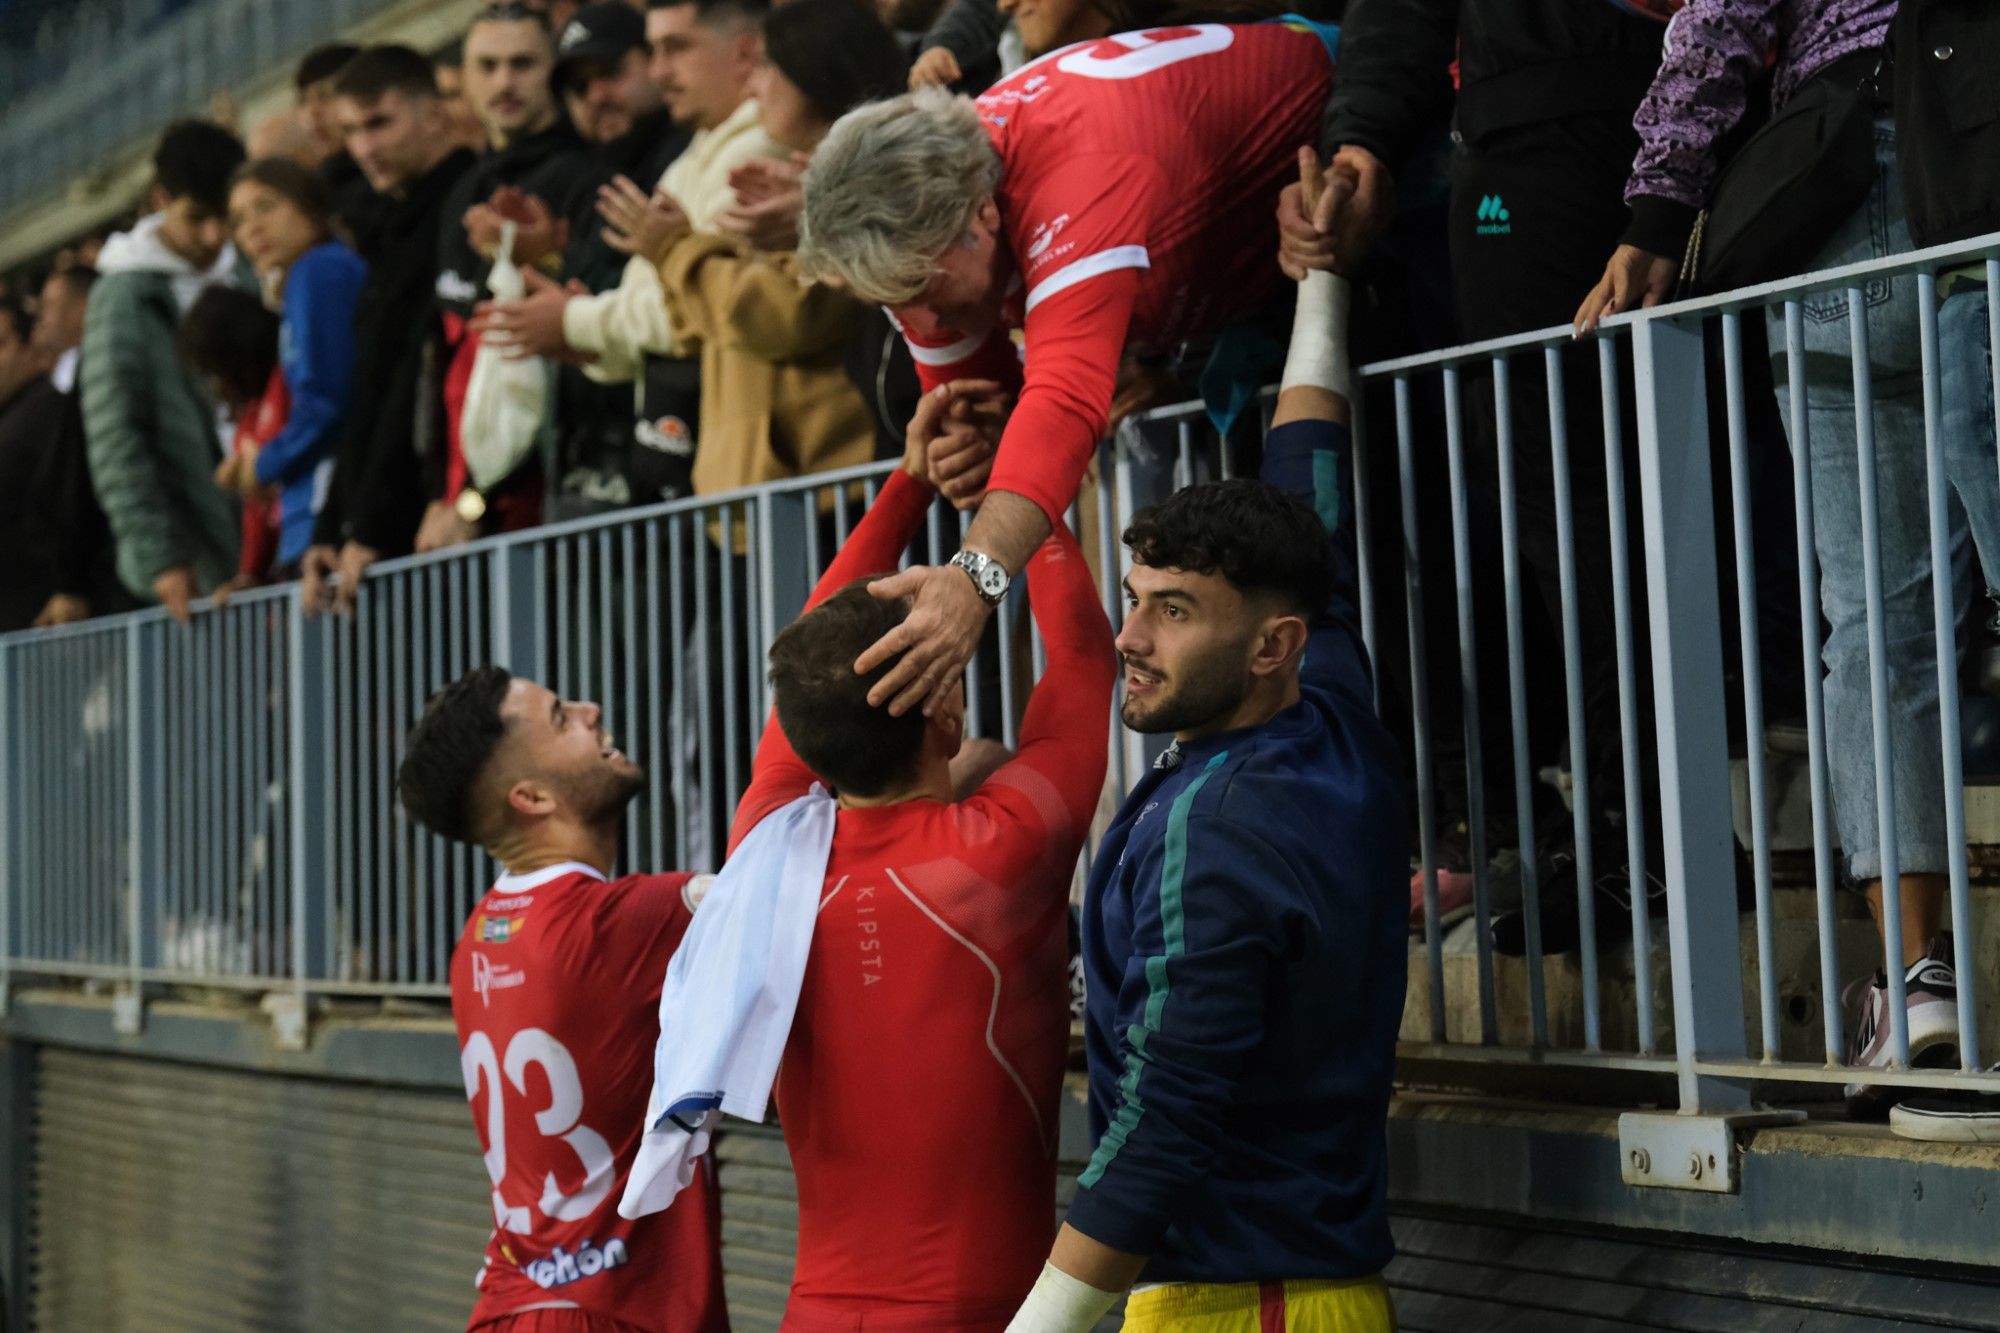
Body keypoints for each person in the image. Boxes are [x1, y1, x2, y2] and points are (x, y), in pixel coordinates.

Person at [1574, 0, 1987, 1112]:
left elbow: (1719, 14)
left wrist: (1660, 206)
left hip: (1839, 188)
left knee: (1873, 622)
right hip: (1978, 148)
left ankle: (1917, 987)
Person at [1005, 188, 1403, 1333]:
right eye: (1134, 600)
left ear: (1271, 644)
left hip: (1240, 1306)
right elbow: (1306, 467)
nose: (1128, 639)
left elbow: (1166, 1121)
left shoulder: (1221, 827)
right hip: (1297, 1291)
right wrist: (1319, 275)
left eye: (1171, 611)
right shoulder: (1327, 701)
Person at [699, 343, 1113, 1327]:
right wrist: (1022, 497)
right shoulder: (1002, 850)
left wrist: (909, 483)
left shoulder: (766, 845)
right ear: (941, 708)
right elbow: (1086, 663)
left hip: (813, 1309)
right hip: (975, 1311)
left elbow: (805, 667)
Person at [795, 19, 1337, 719]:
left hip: (1363, 132)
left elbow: (1060, 405)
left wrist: (975, 576)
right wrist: (966, 455)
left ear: (983, 214)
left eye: (922, 293)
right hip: (1242, 273)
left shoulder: (1074, 163)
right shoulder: (929, 226)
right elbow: (987, 421)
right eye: (892, 304)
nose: (921, 327)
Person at [397, 667, 729, 1333]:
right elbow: (806, 889)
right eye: (560, 716)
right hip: (602, 1310)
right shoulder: (621, 922)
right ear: (532, 796)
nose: (591, 707)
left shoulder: (478, 938)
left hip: (513, 1303)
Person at [480, 0, 785, 511]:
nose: (660, 69)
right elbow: (653, 305)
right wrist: (583, 341)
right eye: (655, 51)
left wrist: (574, 321)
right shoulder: (698, 154)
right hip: (703, 465)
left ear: (745, 52)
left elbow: (697, 314)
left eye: (675, 47)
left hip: (757, 467)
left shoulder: (755, 151)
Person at [301, 45, 475, 617]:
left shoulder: (463, 207)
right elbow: (368, 393)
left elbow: (418, 381)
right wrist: (332, 525)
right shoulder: (387, 227)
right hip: (383, 527)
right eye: (352, 131)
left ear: (435, 114)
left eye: (380, 123)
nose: (365, 148)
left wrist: (371, 521)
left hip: (431, 523)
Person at [426, 2, 602, 549]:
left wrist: (475, 498)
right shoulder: (461, 191)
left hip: (547, 505)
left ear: (553, 70)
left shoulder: (586, 178)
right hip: (458, 509)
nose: (505, 81)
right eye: (489, 66)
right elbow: (443, 362)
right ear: (465, 80)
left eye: (523, 64)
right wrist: (445, 494)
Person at [82, 118, 248, 622]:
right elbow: (117, 440)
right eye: (197, 217)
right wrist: (163, 559)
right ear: (159, 199)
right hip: (195, 561)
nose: (214, 236)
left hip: (265, 533)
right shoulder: (123, 296)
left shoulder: (248, 268)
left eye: (226, 218)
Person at [224, 159, 366, 575]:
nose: (251, 228)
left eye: (266, 207)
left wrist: (263, 465)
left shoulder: (318, 271)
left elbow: (326, 402)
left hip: (327, 511)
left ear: (309, 207)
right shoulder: (307, 277)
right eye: (238, 220)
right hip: (318, 511)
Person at [21, 267, 128, 629]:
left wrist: (73, 581)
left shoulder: (102, 371)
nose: (42, 316)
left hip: (114, 577)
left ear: (83, 306)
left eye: (51, 304)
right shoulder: (81, 371)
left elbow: (81, 479)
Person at [176, 285, 285, 594]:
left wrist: (259, 466)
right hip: (287, 572)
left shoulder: (289, 383)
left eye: (215, 371)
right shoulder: (246, 424)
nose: (215, 385)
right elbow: (255, 511)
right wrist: (249, 574)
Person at [0, 297, 77, 630]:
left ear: (32, 347)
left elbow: (69, 510)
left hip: (43, 630)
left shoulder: (49, 413)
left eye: (1, 344)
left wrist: (71, 588)